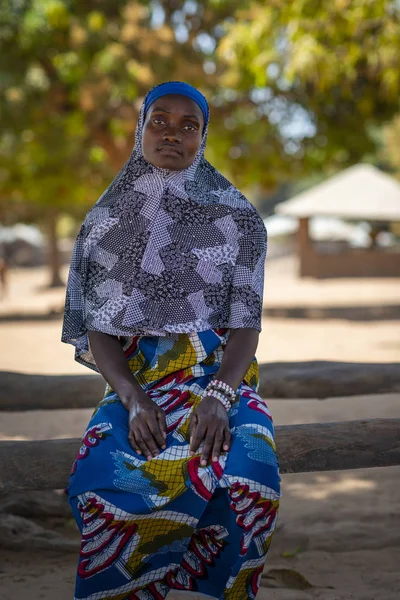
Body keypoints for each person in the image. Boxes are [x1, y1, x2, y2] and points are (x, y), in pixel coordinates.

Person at [62, 81, 281, 600]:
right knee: (108, 474)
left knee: (250, 465)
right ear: (141, 128)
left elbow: (246, 323)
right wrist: (133, 399)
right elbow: (100, 325)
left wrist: (222, 397)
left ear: (203, 138)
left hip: (219, 374)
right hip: (137, 379)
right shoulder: (104, 223)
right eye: (160, 120)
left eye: (189, 126)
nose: (172, 134)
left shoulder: (239, 219)